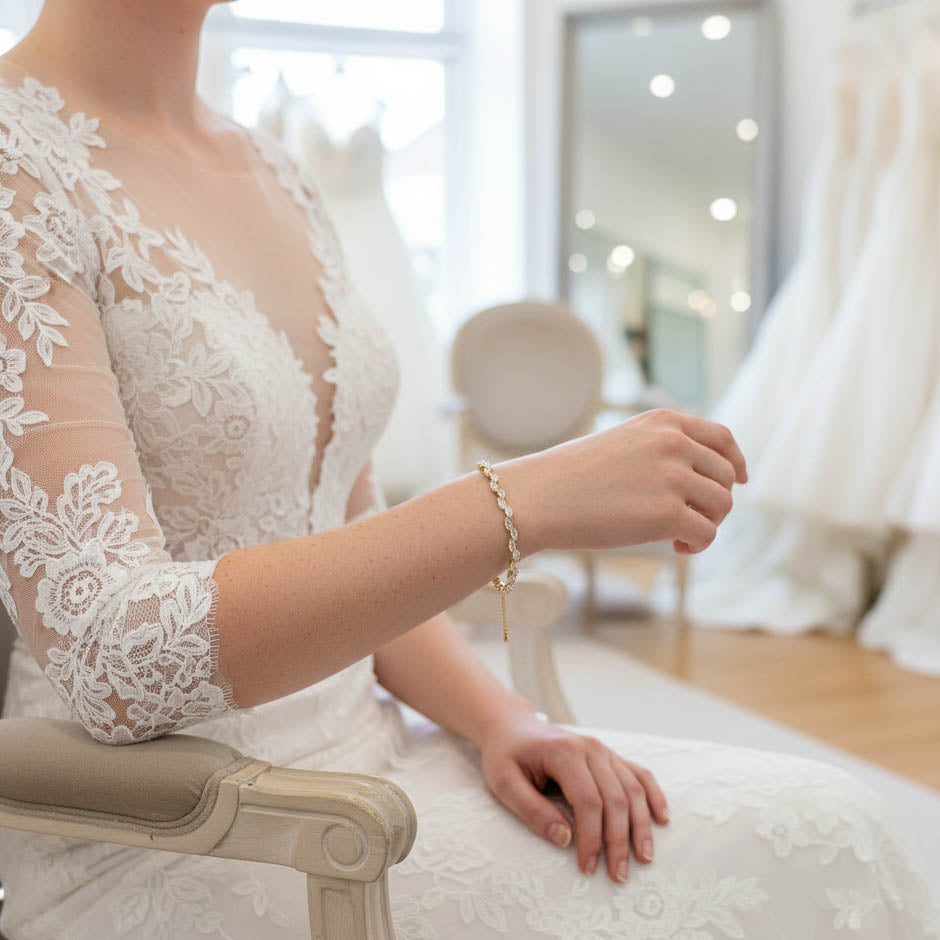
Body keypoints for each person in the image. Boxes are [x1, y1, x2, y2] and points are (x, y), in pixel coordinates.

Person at [0, 2, 934, 937]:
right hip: (174, 827)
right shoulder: (16, 162)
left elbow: (347, 549)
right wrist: (525, 499)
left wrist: (501, 720)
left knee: (827, 825)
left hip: (379, 756)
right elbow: (109, 657)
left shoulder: (276, 172)